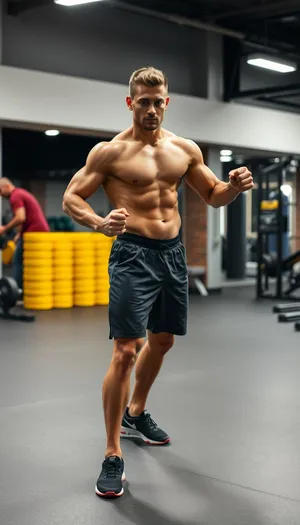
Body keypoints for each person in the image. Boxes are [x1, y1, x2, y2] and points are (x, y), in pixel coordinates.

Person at [62, 66, 254, 498]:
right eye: (143, 102)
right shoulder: (109, 153)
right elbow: (72, 197)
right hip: (132, 253)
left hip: (173, 253)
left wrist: (235, 187)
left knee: (163, 340)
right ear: (130, 103)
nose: (151, 109)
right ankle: (113, 453)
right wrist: (98, 221)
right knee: (126, 350)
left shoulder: (184, 150)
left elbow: (214, 195)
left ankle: (136, 412)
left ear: (167, 102)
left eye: (158, 101)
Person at [0, 179, 50, 290]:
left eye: (0, 190)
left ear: (7, 186)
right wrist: (20, 233)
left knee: (18, 260)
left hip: (34, 233)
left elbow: (20, 217)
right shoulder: (20, 193)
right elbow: (26, 217)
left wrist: (4, 228)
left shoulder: (15, 197)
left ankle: (17, 292)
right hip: (38, 231)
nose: (0, 194)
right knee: (31, 262)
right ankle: (30, 290)